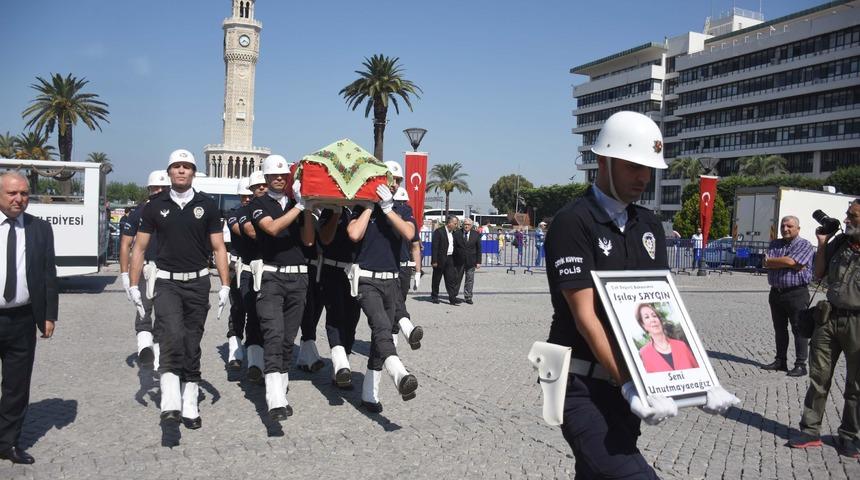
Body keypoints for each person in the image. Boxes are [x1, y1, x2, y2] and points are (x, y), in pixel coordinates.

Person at [543, 111, 738, 478]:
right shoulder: (573, 221)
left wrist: (700, 382)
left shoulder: (648, 224)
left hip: (629, 387)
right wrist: (630, 383)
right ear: (603, 161)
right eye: (633, 167)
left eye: (649, 169)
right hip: (580, 384)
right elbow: (585, 317)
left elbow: (659, 311)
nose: (643, 178)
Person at [128, 149, 231, 430]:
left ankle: (189, 400)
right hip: (167, 282)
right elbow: (139, 247)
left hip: (198, 283)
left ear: (194, 172)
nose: (181, 171)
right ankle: (171, 400)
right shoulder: (154, 206)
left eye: (187, 167)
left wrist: (225, 285)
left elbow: (219, 248)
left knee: (191, 342)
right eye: (176, 167)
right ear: (169, 172)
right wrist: (133, 284)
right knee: (171, 334)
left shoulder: (208, 206)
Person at [790, 199, 860, 458]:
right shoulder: (840, 243)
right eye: (847, 215)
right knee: (819, 377)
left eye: (852, 215)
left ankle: (849, 436)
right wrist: (822, 244)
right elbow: (818, 274)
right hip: (829, 318)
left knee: (856, 385)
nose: (846, 220)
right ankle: (810, 430)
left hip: (858, 323)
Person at [248, 154, 313, 421]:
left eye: (282, 175)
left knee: (287, 340)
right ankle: (274, 398)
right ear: (265, 177)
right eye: (273, 175)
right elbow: (272, 229)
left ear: (288, 177)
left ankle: (280, 391)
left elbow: (308, 241)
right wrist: (299, 208)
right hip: (271, 277)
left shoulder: (297, 204)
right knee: (273, 335)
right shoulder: (258, 204)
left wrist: (308, 209)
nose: (278, 178)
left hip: (298, 278)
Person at [0, 172, 57, 464]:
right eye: (12, 193)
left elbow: (48, 273)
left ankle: (8, 443)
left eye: (23, 193)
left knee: (16, 386)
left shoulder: (39, 228)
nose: (18, 199)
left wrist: (48, 315)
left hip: (22, 319)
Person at [348, 184, 419, 412]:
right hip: (367, 279)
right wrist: (369, 207)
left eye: (397, 180)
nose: (393, 183)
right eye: (389, 179)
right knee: (380, 326)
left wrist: (388, 209)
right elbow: (354, 234)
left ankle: (370, 395)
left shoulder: (401, 210)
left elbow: (409, 234)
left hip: (392, 280)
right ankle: (399, 374)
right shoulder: (361, 208)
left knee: (381, 338)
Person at [120, 170, 170, 369]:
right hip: (146, 267)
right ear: (149, 190)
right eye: (155, 188)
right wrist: (125, 274)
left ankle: (155, 352)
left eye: (162, 188)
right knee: (143, 310)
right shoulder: (139, 211)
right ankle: (145, 347)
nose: (158, 191)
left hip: (167, 270)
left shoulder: (173, 211)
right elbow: (125, 244)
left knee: (164, 314)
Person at [761, 215, 814, 377]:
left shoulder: (805, 244)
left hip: (796, 293)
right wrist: (787, 262)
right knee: (779, 329)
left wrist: (776, 262)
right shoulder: (775, 243)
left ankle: (800, 364)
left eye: (789, 226)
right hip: (776, 293)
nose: (785, 229)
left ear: (798, 228)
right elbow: (766, 262)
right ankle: (780, 361)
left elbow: (792, 261)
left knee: (799, 329)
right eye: (783, 226)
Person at [234, 170, 268, 382]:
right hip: (251, 269)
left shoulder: (279, 207)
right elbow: (252, 232)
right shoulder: (244, 211)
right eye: (257, 187)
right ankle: (255, 362)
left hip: (275, 270)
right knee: (253, 315)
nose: (262, 189)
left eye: (264, 185)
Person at [385, 161, 424, 349]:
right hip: (383, 265)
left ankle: (394, 335)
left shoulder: (405, 211)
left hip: (403, 265)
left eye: (398, 181)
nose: (394, 184)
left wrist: (417, 271)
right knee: (391, 303)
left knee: (399, 300)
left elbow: (415, 244)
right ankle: (402, 329)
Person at [224, 177, 253, 371]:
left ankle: (253, 349)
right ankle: (235, 346)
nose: (248, 199)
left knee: (256, 310)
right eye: (245, 196)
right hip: (238, 264)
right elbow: (241, 230)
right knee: (237, 307)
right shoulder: (234, 213)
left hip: (257, 266)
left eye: (251, 196)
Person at [635, 303, 698, 373]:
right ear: (643, 325)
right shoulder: (644, 353)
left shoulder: (681, 345)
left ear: (659, 320)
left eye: (654, 316)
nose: (653, 320)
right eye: (647, 317)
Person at [430, 214, 461, 305]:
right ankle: (435, 296)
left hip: (450, 258)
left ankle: (452, 298)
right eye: (455, 223)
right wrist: (434, 261)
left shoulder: (454, 233)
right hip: (440, 259)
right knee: (437, 279)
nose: (456, 225)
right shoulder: (439, 232)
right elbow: (434, 247)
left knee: (450, 279)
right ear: (449, 223)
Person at [453, 217, 481, 305]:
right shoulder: (457, 234)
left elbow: (479, 249)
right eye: (465, 224)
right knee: (457, 279)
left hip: (471, 261)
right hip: (459, 260)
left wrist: (478, 261)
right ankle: (453, 295)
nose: (466, 226)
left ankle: (468, 297)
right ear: (463, 225)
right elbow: (453, 247)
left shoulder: (476, 234)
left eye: (468, 224)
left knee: (469, 279)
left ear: (471, 225)